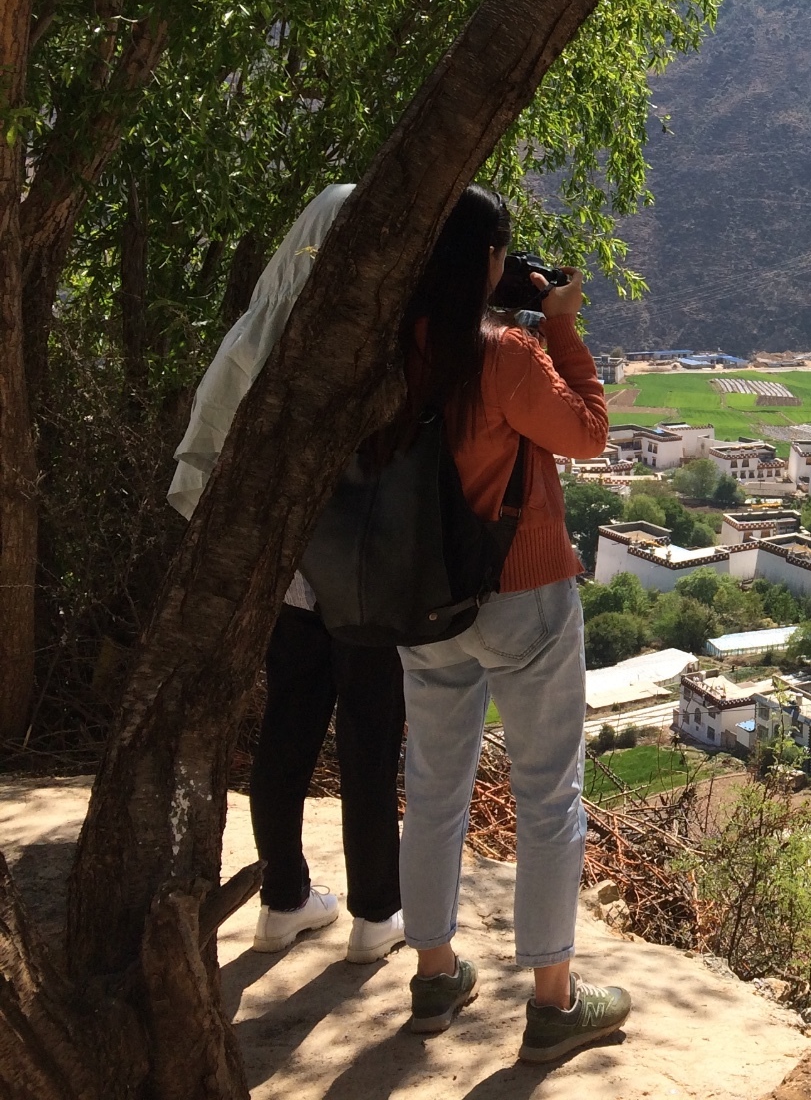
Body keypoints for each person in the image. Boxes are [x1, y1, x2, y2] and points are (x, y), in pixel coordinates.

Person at [392, 185, 625, 1063]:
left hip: (423, 599)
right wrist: (560, 323)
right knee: (548, 796)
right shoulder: (510, 354)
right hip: (523, 593)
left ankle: (434, 974)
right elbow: (590, 432)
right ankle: (554, 1001)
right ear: (490, 263)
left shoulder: (396, 345)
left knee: (436, 789)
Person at [168, 184, 407, 963]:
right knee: (370, 736)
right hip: (363, 570)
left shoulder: (257, 332)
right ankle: (375, 915)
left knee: (288, 727)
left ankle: (283, 898)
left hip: (285, 571)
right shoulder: (366, 335)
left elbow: (210, 446)